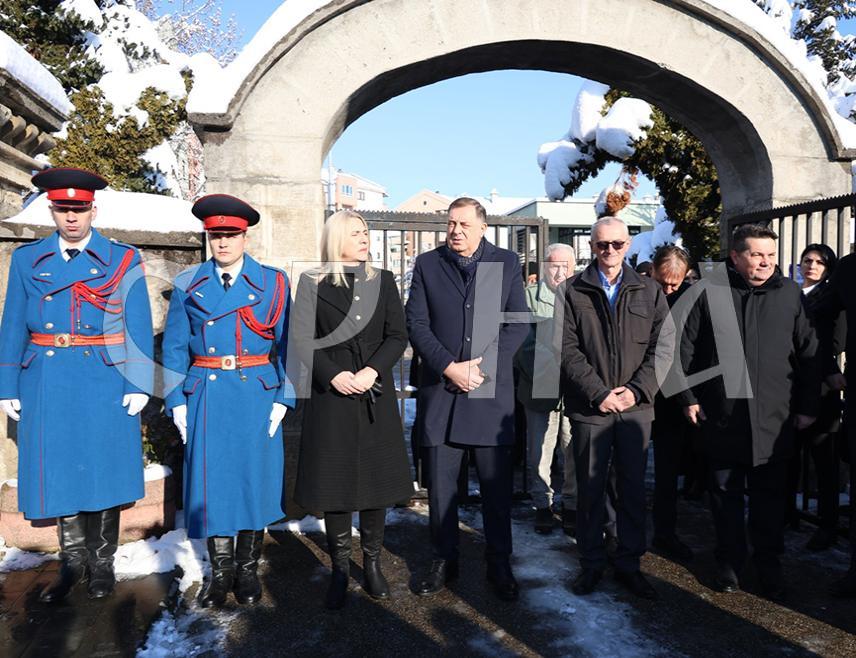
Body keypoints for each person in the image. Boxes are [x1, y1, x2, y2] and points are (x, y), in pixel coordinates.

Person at [0, 167, 153, 601]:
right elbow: (13, 324)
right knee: (61, 468)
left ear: (93, 210)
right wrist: (6, 382)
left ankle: (102, 562)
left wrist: (138, 380)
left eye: (79, 209)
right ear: (51, 210)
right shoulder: (29, 260)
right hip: (46, 376)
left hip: (104, 373)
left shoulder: (123, 258)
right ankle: (72, 561)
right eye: (63, 209)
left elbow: (136, 324)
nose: (71, 217)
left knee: (103, 466)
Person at [163, 194, 293, 608]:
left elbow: (292, 345)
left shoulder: (273, 282)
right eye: (215, 235)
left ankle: (247, 570)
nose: (222, 243)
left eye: (230, 235)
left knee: (251, 481)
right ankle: (220, 573)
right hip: (206, 391)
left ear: (244, 236)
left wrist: (284, 398)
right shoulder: (188, 282)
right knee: (213, 483)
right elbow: (174, 346)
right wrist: (175, 399)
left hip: (255, 392)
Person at [678, 224, 819, 600]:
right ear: (736, 256)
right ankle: (728, 562)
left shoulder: (788, 292)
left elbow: (808, 352)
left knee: (770, 500)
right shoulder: (709, 291)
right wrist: (688, 397)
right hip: (722, 416)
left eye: (771, 256)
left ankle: (769, 566)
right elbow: (682, 350)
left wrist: (807, 407)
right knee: (724, 495)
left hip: (775, 418)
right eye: (757, 255)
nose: (766, 262)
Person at [406, 197, 529, 601]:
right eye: (450, 224)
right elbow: (417, 323)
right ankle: (444, 559)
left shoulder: (504, 263)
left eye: (463, 224)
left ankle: (499, 562)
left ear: (482, 227)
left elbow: (516, 323)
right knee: (442, 489)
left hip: (488, 395)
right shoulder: (428, 264)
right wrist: (448, 366)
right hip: (443, 392)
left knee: (495, 491)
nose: (455, 231)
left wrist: (482, 368)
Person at [292, 210, 413, 610]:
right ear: (337, 238)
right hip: (332, 398)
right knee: (337, 486)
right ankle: (341, 568)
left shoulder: (384, 281)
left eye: (366, 232)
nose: (365, 239)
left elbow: (398, 335)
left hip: (372, 392)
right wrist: (333, 376)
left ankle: (373, 562)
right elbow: (302, 339)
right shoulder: (312, 283)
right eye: (357, 233)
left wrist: (371, 370)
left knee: (375, 483)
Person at [557, 216, 668, 600]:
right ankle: (591, 563)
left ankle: (628, 563)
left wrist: (636, 391)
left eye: (617, 245)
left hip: (635, 410)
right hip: (592, 409)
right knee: (589, 489)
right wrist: (599, 393)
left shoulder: (650, 292)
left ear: (629, 246)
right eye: (602, 245)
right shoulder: (572, 291)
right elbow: (567, 351)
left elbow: (662, 349)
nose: (610, 252)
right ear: (591, 246)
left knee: (632, 489)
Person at [785, 244, 845, 550]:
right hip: (791, 387)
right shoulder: (792, 294)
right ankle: (788, 513)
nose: (811, 266)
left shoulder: (831, 299)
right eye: (807, 260)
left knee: (824, 462)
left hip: (821, 390)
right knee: (788, 456)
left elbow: (834, 341)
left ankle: (827, 525)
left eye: (819, 262)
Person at [515, 243, 577, 534]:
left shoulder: (580, 297)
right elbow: (521, 346)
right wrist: (552, 371)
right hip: (539, 388)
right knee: (539, 451)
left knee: (573, 449)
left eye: (566, 265)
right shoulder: (528, 298)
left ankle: (573, 504)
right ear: (544, 266)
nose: (560, 271)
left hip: (574, 391)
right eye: (554, 264)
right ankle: (543, 504)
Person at [650, 245, 695, 561]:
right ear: (652, 271)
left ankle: (665, 533)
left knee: (667, 474)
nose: (667, 290)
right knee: (620, 469)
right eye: (662, 282)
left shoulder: (694, 300)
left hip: (672, 399)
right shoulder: (637, 292)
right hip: (636, 394)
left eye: (674, 285)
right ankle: (614, 530)